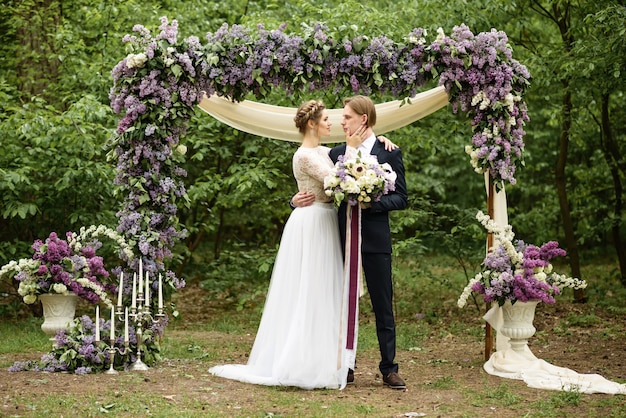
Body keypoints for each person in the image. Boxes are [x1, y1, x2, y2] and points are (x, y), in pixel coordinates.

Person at [209, 100, 368, 389]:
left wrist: (376, 140)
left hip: (325, 221)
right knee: (306, 288)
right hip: (310, 223)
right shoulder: (304, 156)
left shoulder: (323, 151)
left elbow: (348, 163)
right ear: (312, 123)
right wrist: (353, 149)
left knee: (323, 288)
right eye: (325, 119)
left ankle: (324, 357)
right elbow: (337, 180)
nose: (330, 123)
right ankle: (299, 359)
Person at [292, 95, 408, 390]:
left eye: (346, 117)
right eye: (340, 118)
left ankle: (389, 368)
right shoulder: (337, 153)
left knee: (383, 304)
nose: (341, 121)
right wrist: (293, 201)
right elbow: (314, 181)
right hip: (340, 237)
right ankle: (346, 365)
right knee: (342, 304)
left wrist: (373, 203)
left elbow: (401, 198)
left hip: (375, 240)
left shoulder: (388, 152)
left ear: (363, 120)